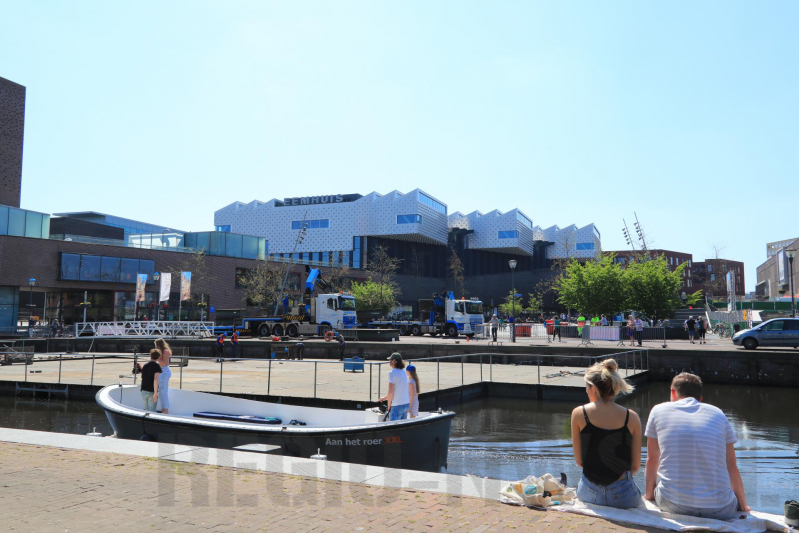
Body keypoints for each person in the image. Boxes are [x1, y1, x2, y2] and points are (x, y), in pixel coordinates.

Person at [645, 373, 750, 518]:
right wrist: (743, 505)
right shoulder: (718, 414)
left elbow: (652, 459)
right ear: (700, 399)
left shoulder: (658, 410)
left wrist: (649, 496)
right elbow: (731, 466)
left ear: (672, 392)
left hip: (673, 504)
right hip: (720, 509)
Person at [571, 359, 641, 509]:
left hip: (588, 492)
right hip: (624, 495)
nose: (586, 391)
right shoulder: (632, 417)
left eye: (587, 387)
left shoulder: (579, 413)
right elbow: (635, 466)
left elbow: (579, 461)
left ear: (594, 389)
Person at [378, 353, 410, 421]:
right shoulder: (404, 372)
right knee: (402, 428)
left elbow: (391, 392)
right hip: (406, 404)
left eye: (390, 360)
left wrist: (389, 406)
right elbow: (399, 390)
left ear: (394, 361)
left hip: (397, 406)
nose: (389, 361)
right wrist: (384, 398)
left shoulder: (392, 373)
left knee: (393, 428)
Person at [154, 339, 172, 414]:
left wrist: (157, 357)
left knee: (164, 391)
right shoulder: (162, 352)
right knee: (161, 391)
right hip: (162, 371)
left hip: (164, 371)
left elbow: (164, 363)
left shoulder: (165, 352)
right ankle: (163, 408)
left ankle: (166, 409)